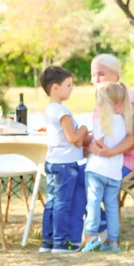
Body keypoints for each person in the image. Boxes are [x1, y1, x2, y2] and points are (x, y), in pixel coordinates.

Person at [39, 66, 88, 253]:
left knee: (52, 202)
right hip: (66, 165)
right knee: (63, 204)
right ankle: (61, 243)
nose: (72, 89)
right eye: (68, 85)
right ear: (55, 88)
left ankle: (47, 241)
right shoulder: (62, 111)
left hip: (53, 162)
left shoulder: (49, 109)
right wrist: (83, 128)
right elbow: (74, 138)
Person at [81, 82, 133, 253]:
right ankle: (113, 242)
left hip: (96, 169)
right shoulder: (125, 121)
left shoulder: (101, 120)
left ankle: (90, 236)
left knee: (93, 202)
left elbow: (98, 145)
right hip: (115, 172)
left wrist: (88, 148)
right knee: (112, 206)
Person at [89, 54, 134, 178]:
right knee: (73, 174)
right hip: (110, 158)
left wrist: (109, 152)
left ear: (116, 75)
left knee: (82, 177)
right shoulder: (104, 97)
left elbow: (132, 137)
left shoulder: (124, 98)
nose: (96, 80)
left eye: (101, 74)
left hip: (130, 161)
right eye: (93, 75)